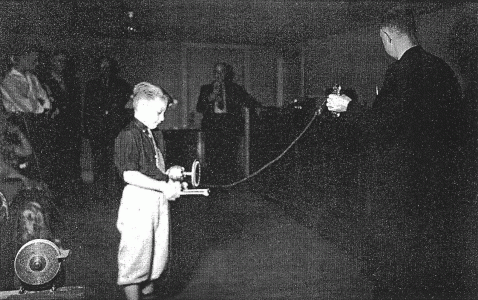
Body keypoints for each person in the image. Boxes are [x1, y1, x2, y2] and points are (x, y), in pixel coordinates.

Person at [326, 6, 470, 298]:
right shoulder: (441, 68)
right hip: (439, 179)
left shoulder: (401, 70)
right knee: (430, 254)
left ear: (386, 35)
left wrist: (347, 107)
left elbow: (382, 126)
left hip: (403, 182)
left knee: (397, 259)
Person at [114, 82, 182, 300]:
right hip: (138, 202)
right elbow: (129, 175)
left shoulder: (154, 134)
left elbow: (153, 168)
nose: (162, 118)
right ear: (142, 106)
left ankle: (149, 293)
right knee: (136, 258)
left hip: (157, 201)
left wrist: (168, 173)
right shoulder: (128, 135)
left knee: (156, 257)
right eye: (159, 112)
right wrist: (163, 185)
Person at [196, 62, 261, 184]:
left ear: (226, 74)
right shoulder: (205, 89)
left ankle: (229, 184)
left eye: (221, 72)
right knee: (212, 157)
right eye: (216, 72)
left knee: (229, 156)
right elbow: (199, 108)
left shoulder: (235, 89)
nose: (218, 75)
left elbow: (249, 100)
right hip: (212, 127)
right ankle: (213, 183)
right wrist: (211, 97)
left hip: (229, 127)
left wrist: (258, 107)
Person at [1, 44, 53, 183]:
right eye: (33, 60)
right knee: (28, 164)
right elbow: (27, 106)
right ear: (20, 58)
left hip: (38, 125)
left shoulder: (32, 78)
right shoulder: (9, 81)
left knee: (42, 165)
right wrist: (40, 105)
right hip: (21, 126)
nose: (36, 63)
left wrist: (40, 105)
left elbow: (46, 101)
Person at [84, 56, 132, 199]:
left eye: (108, 67)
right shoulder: (92, 85)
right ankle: (100, 192)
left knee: (115, 161)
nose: (105, 70)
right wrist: (88, 128)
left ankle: (115, 192)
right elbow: (87, 108)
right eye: (102, 67)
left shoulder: (122, 85)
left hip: (115, 130)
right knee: (99, 162)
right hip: (97, 131)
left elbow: (128, 108)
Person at [42, 50, 82, 199]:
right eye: (58, 61)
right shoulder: (44, 82)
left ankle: (72, 195)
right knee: (57, 163)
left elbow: (76, 106)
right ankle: (57, 195)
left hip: (71, 129)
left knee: (72, 162)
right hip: (55, 130)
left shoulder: (71, 81)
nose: (62, 65)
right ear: (52, 62)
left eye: (64, 62)